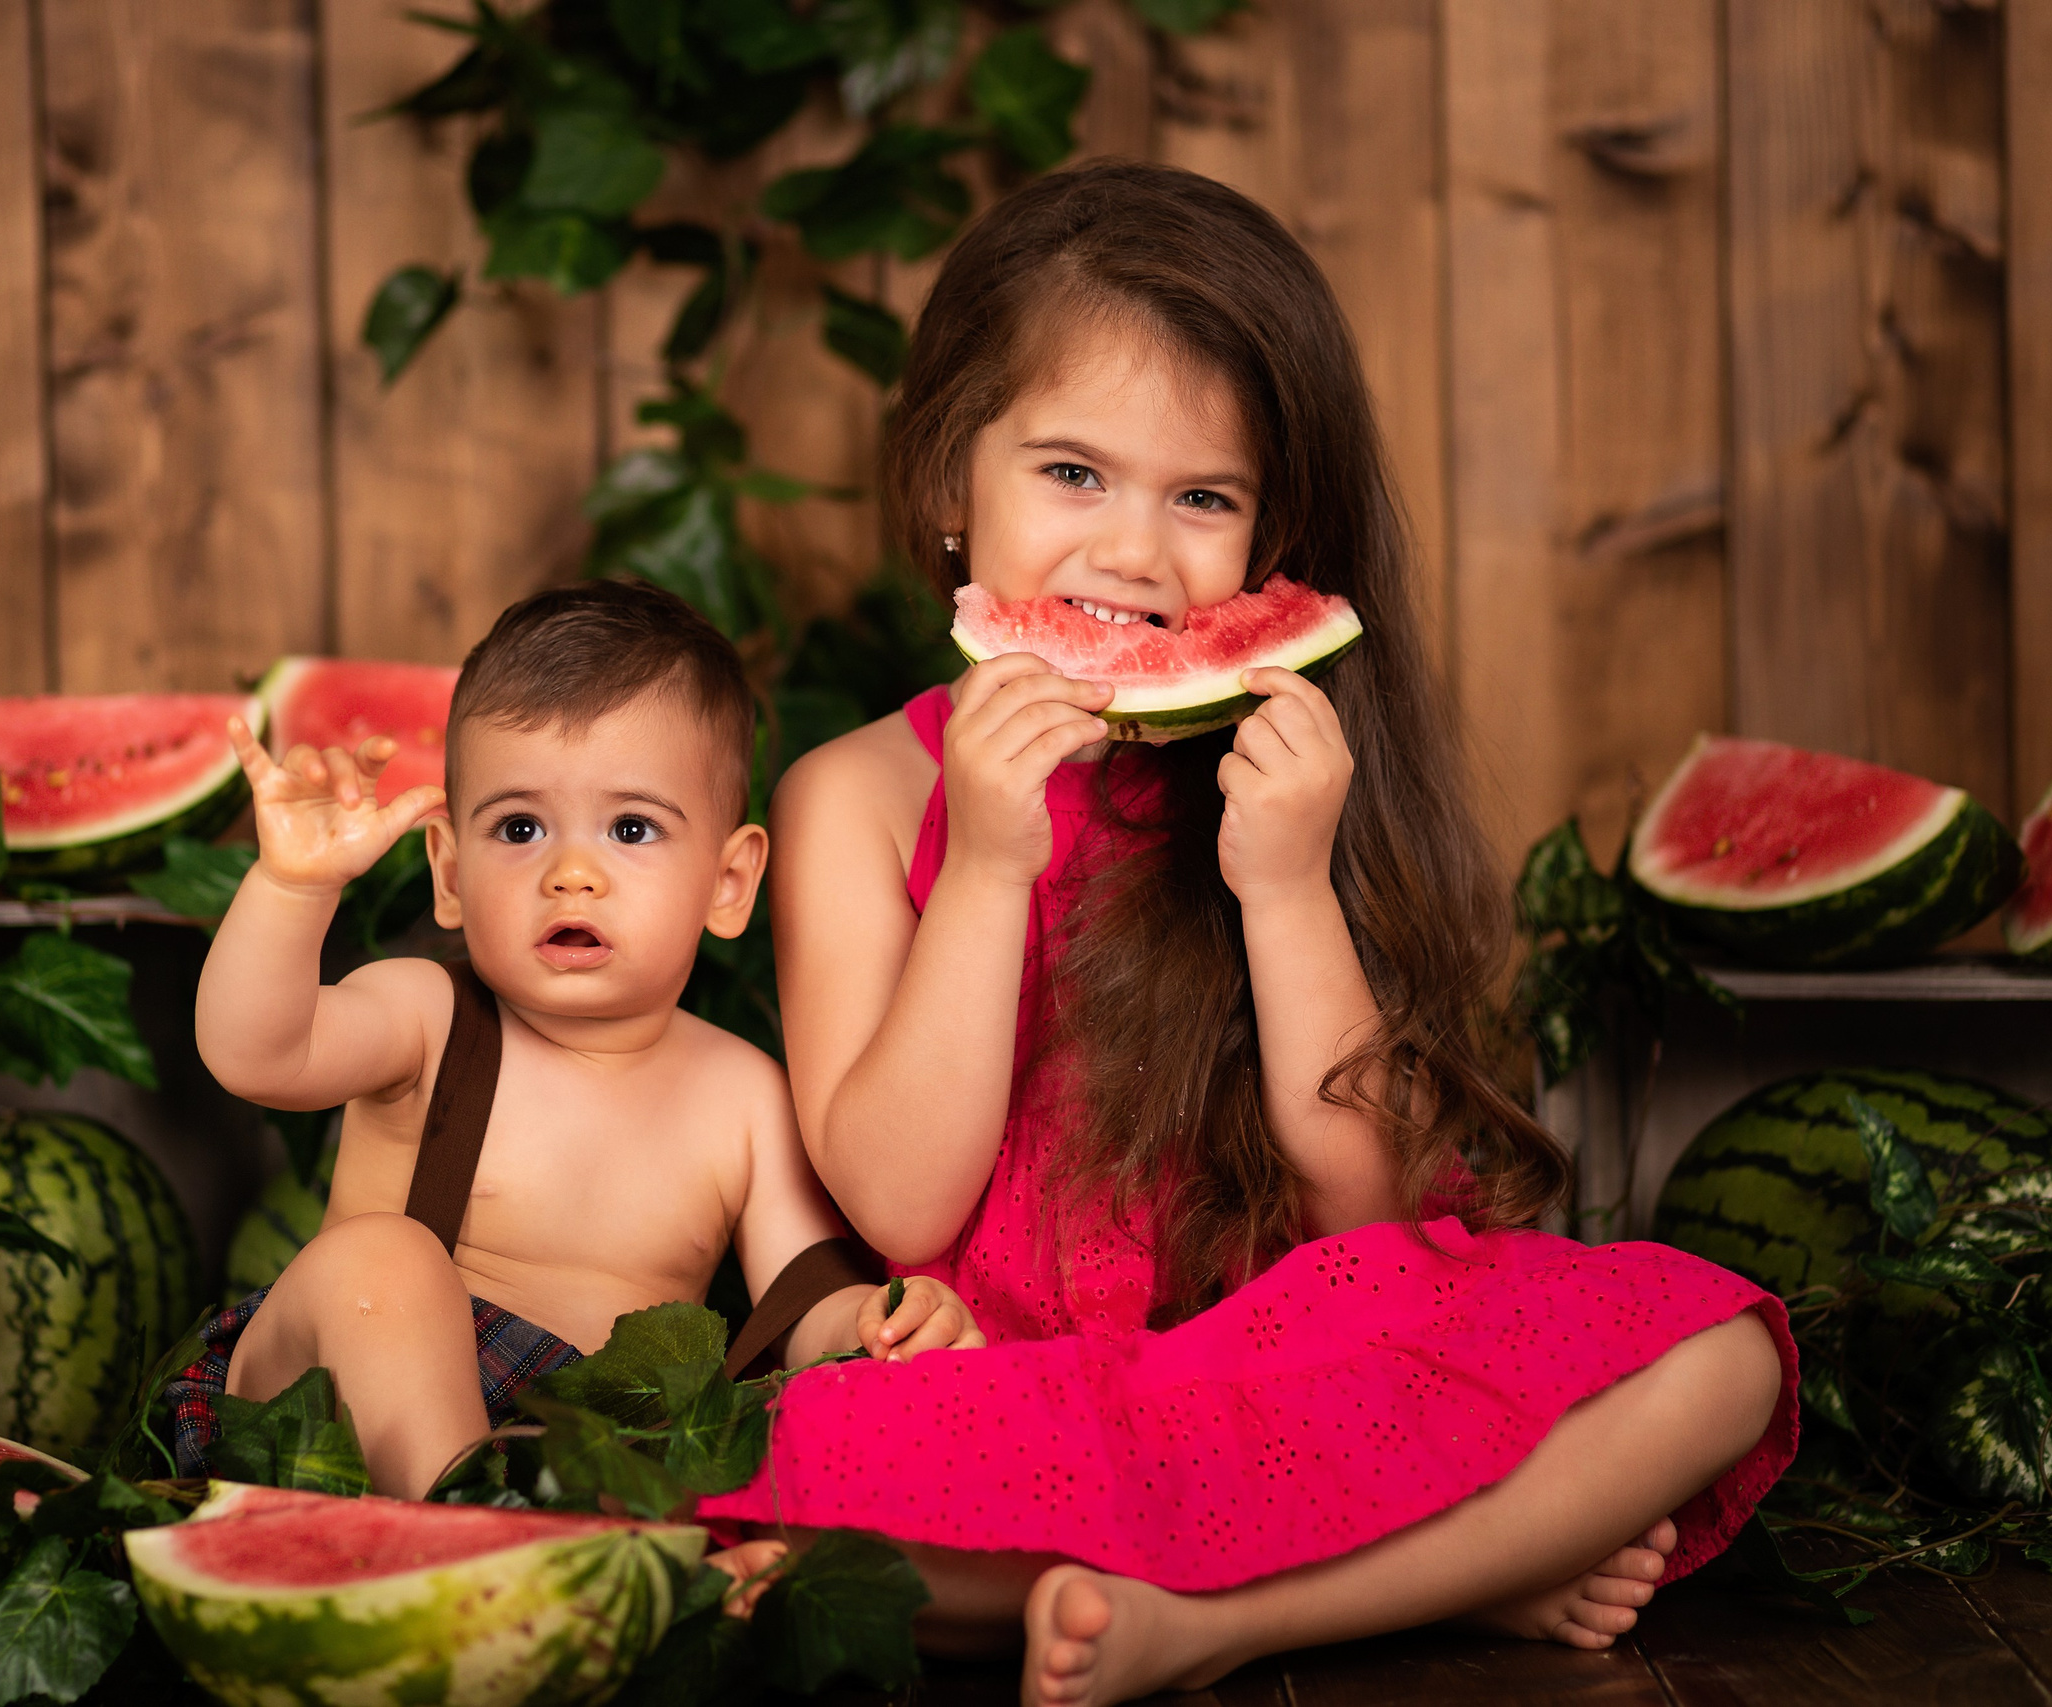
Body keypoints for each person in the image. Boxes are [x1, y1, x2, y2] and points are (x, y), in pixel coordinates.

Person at [704, 161, 1796, 1706]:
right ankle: (1449, 1566)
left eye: (1200, 498)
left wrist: (1285, 886)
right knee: (793, 1507)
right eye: (1072, 473)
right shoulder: (856, 796)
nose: (1134, 556)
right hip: (999, 1391)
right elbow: (894, 1190)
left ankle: (1220, 1620)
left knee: (1723, 1347)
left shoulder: (1286, 774)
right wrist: (988, 868)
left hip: (1283, 1362)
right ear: (952, 479)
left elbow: (1365, 1208)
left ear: (1274, 542)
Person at [179, 581, 984, 1504]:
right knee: (386, 1260)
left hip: (579, 1467)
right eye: (520, 828)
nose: (571, 874)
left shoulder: (743, 1096)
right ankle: (473, 1535)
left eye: (631, 828)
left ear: (728, 883)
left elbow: (802, 1304)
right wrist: (292, 888)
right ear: (449, 872)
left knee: (740, 1440)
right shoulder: (429, 1015)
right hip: (319, 1423)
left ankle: (516, 1551)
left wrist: (879, 1322)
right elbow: (254, 1052)